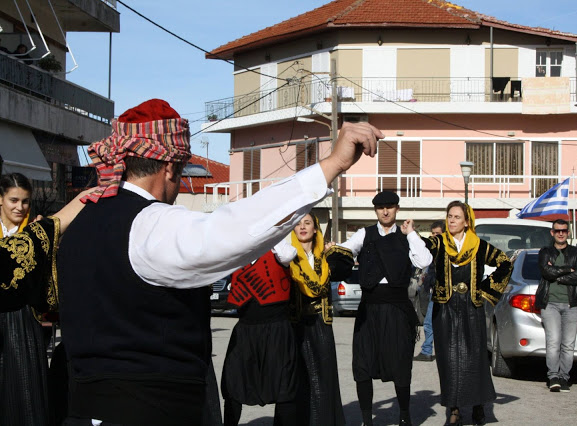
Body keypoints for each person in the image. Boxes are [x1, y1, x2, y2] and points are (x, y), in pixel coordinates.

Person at [56, 98, 383, 426]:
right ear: (170, 166)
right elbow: (234, 228)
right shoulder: (148, 223)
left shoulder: (80, 225)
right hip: (147, 412)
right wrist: (332, 164)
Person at [0, 173, 91, 426]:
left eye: (25, 201)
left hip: (25, 321)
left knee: (25, 388)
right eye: (13, 200)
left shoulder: (37, 232)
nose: (20, 207)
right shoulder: (36, 234)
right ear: (1, 200)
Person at [337, 191, 431, 426]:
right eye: (381, 208)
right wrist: (334, 249)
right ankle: (367, 420)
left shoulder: (406, 236)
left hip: (398, 309)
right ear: (376, 211)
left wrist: (411, 234)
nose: (385, 211)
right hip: (369, 309)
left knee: (400, 363)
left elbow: (424, 261)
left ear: (397, 209)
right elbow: (346, 251)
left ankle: (404, 416)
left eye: (389, 207)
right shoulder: (364, 234)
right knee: (362, 364)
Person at [423, 201, 512, 426]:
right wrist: (409, 235)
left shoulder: (479, 246)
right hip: (445, 309)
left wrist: (484, 290)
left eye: (456, 217)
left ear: (466, 221)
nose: (451, 221)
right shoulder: (440, 243)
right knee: (448, 360)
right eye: (449, 216)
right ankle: (453, 410)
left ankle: (479, 405)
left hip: (472, 308)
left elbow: (505, 264)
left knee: (475, 359)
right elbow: (423, 246)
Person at [221, 240, 299, 426]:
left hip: (276, 329)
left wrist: (271, 232)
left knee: (283, 386)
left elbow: (289, 254)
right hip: (245, 329)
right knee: (233, 383)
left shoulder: (279, 250)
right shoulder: (238, 254)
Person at [289, 212, 350, 426]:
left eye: (308, 223)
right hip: (296, 325)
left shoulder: (324, 257)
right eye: (298, 224)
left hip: (321, 323)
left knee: (324, 376)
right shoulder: (288, 256)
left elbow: (347, 262)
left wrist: (331, 249)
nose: (303, 227)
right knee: (299, 377)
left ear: (315, 228)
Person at [534, 219, 577, 393]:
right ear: (552, 233)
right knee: (554, 341)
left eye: (564, 230)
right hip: (550, 304)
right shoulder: (545, 252)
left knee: (568, 343)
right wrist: (567, 270)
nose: (561, 233)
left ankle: (564, 377)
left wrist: (558, 274)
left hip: (573, 304)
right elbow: (546, 272)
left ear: (568, 232)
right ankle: (553, 376)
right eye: (557, 231)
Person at [414, 220, 444, 362]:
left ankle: (427, 351)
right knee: (430, 322)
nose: (434, 236)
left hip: (444, 292)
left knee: (430, 323)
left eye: (438, 233)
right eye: (433, 233)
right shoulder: (433, 250)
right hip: (433, 291)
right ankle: (428, 350)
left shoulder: (445, 249)